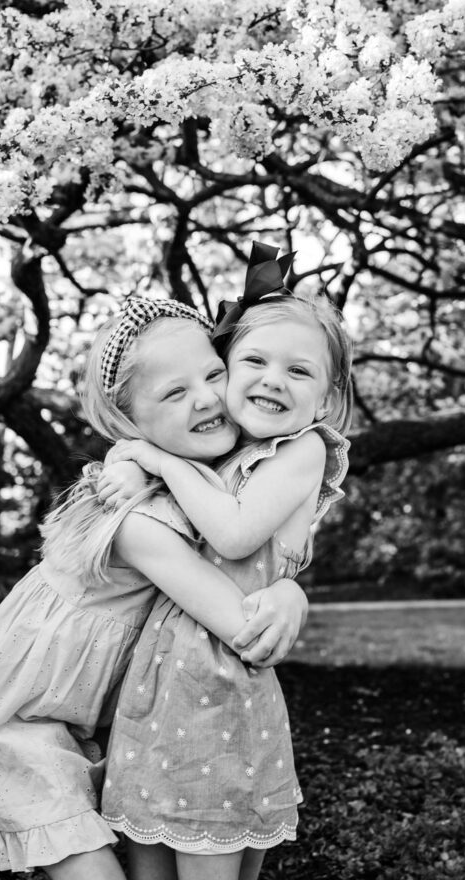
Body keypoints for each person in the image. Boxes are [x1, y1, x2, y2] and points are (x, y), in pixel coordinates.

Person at [0, 296, 309, 880]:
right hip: (14, 715)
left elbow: (255, 551)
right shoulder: (137, 519)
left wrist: (289, 586)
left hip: (84, 705)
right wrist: (290, 598)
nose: (208, 398)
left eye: (215, 373)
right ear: (129, 421)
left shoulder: (186, 477)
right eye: (173, 392)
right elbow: (239, 620)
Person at [98, 270, 352, 880]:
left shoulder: (303, 450)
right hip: (158, 692)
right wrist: (133, 463)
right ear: (227, 367)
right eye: (255, 361)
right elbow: (139, 440)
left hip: (224, 694)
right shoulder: (225, 447)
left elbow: (233, 533)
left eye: (300, 371)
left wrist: (153, 460)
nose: (273, 380)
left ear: (327, 396)